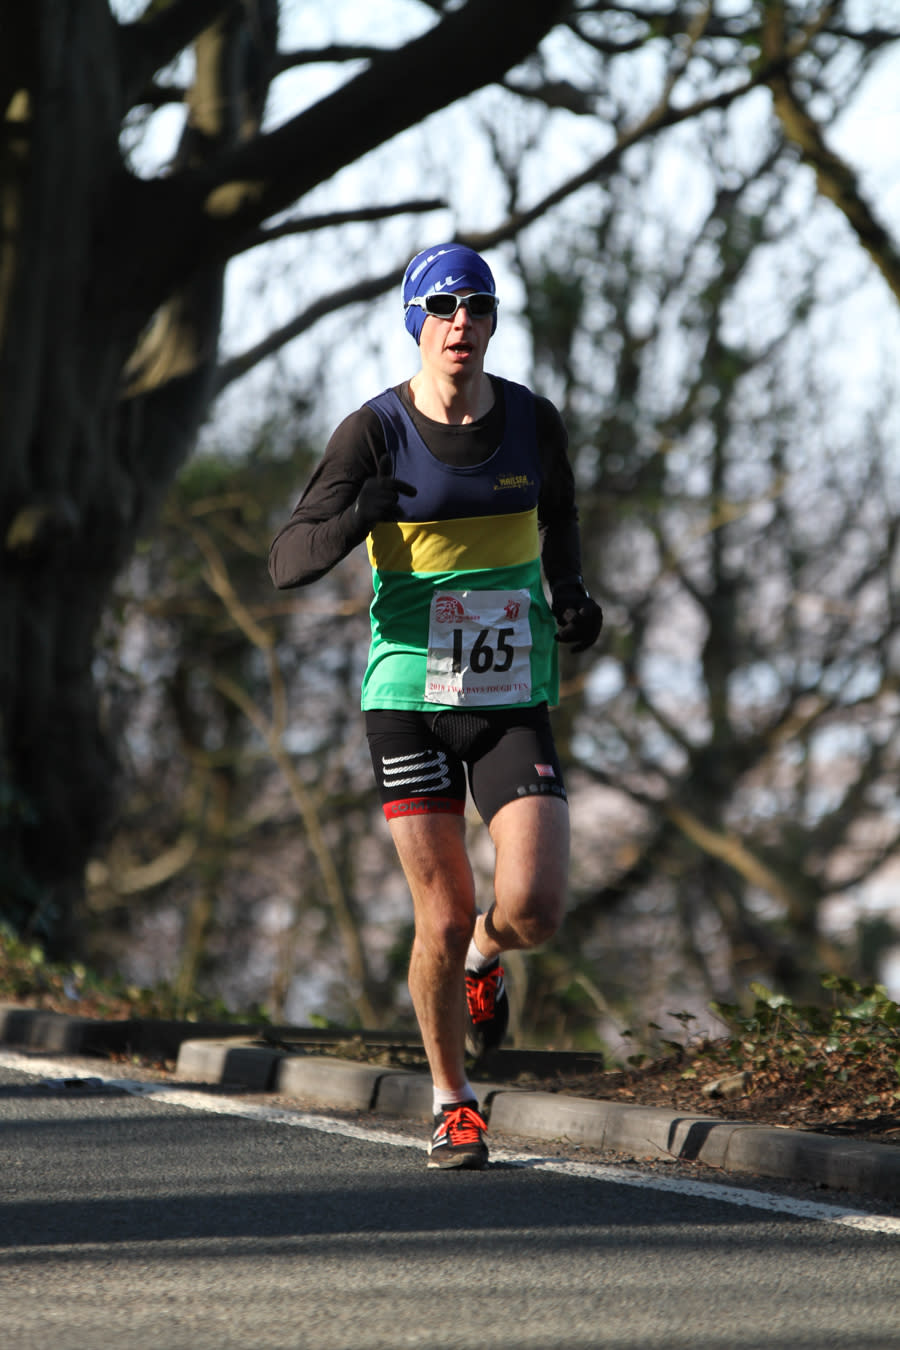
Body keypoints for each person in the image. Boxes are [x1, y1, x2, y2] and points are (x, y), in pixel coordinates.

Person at [268, 243, 603, 1169]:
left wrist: (569, 593)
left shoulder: (534, 421)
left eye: (480, 307)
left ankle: (484, 962)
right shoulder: (371, 431)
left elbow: (561, 512)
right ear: (417, 320)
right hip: (408, 695)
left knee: (531, 906)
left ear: (494, 323)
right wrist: (355, 517)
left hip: (508, 692)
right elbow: (286, 561)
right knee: (442, 910)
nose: (464, 322)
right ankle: (453, 1101)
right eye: (445, 306)